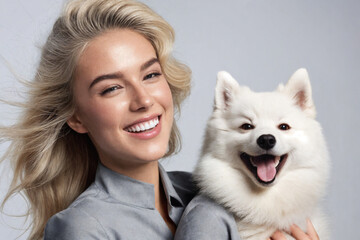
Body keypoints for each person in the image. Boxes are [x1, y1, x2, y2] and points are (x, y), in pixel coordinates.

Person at [0, 0, 195, 239]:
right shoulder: (81, 228)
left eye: (151, 74)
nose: (143, 100)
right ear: (76, 117)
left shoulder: (204, 194)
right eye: (112, 88)